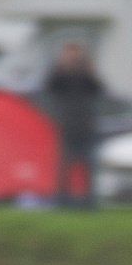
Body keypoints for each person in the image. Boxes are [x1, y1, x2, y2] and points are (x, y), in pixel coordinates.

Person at [43, 42, 106, 209]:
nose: (73, 58)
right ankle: (62, 200)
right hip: (67, 126)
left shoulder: (86, 75)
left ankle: (88, 202)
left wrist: (89, 71)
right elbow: (51, 87)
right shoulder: (60, 75)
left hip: (85, 126)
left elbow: (98, 90)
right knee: (64, 166)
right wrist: (61, 67)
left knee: (88, 166)